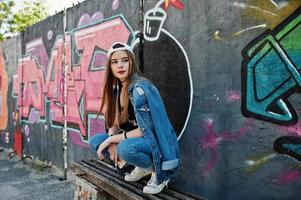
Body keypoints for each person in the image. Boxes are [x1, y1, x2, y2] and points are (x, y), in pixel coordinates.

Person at [89, 42, 180, 194]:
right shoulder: (116, 89)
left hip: (155, 141)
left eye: (125, 60)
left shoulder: (139, 90)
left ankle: (159, 172)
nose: (120, 65)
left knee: (126, 148)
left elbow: (147, 131)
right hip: (134, 139)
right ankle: (142, 166)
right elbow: (114, 123)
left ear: (132, 61)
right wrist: (111, 138)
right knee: (96, 142)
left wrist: (113, 140)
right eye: (115, 62)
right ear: (110, 67)